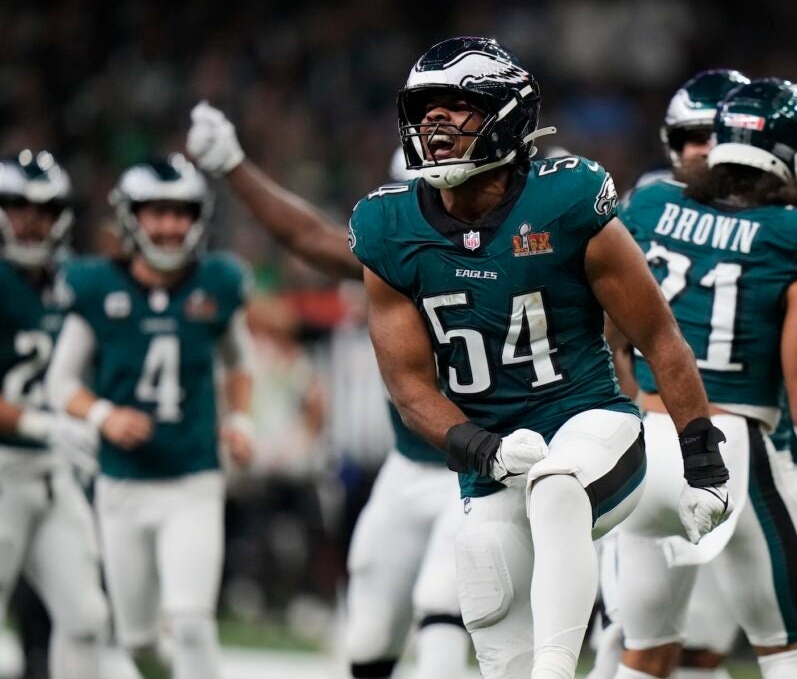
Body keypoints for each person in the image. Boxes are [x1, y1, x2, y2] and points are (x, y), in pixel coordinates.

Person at [190, 36, 731, 679]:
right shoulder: (391, 230)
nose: (434, 124)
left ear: (506, 113)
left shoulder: (565, 201)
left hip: (589, 421)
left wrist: (704, 457)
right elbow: (410, 385)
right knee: (485, 597)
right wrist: (482, 448)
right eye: (425, 109)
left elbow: (659, 336)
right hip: (486, 459)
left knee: (558, 487)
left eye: (456, 106)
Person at [604, 78, 797, 679]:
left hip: (642, 446)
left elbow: (607, 338)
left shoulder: (650, 206)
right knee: (795, 652)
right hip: (733, 450)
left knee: (643, 658)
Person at [189, 97, 475, 676]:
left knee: (444, 607)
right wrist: (235, 165)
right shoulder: (390, 256)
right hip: (406, 463)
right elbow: (308, 236)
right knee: (368, 636)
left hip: (480, 464)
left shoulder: (511, 250)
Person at [45, 154, 254, 679]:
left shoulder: (217, 281)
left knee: (190, 621)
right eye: (156, 212)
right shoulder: (97, 287)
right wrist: (102, 414)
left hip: (193, 478)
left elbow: (240, 365)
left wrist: (242, 421)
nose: (169, 226)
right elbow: (60, 382)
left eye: (180, 212)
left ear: (198, 218)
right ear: (130, 218)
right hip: (122, 484)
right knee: (138, 642)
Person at [0, 150, 112, 679]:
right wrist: (37, 422)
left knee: (86, 618)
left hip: (53, 470)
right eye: (18, 206)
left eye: (43, 210)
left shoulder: (74, 280)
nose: (30, 221)